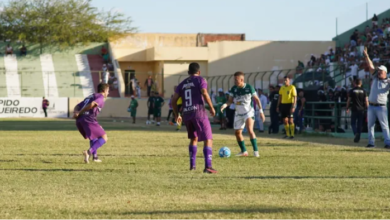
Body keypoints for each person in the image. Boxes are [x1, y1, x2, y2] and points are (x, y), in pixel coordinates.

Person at [171, 62, 217, 173]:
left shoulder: (182, 84)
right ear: (199, 72)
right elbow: (204, 93)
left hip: (187, 114)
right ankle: (208, 166)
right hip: (199, 113)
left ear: (188, 72)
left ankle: (192, 166)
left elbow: (173, 101)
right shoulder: (200, 80)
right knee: (208, 139)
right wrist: (211, 107)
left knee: (194, 138)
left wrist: (177, 115)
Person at [221, 72, 265, 157]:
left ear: (242, 80)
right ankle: (244, 151)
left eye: (236, 79)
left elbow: (257, 99)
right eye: (234, 79)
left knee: (250, 130)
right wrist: (225, 105)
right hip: (238, 113)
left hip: (248, 112)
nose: (235, 81)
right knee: (237, 133)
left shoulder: (249, 88)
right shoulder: (233, 89)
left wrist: (261, 112)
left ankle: (256, 152)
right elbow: (230, 100)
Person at [73, 83, 110, 163]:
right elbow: (93, 104)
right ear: (104, 90)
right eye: (108, 91)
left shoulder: (90, 96)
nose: (108, 93)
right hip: (88, 119)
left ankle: (95, 157)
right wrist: (80, 112)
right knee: (104, 137)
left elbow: (77, 106)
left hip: (81, 120)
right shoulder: (100, 97)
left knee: (94, 137)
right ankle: (89, 152)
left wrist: (76, 112)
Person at [363, 47, 390, 148]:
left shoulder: (388, 81)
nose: (378, 72)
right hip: (371, 105)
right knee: (370, 126)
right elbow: (370, 66)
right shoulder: (375, 77)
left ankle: (388, 143)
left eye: (381, 71)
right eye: (378, 71)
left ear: (385, 73)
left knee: (384, 126)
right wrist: (366, 56)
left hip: (381, 107)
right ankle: (371, 142)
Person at [346, 78, 368, 143]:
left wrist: (347, 107)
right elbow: (366, 101)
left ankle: (355, 133)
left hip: (354, 109)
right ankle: (358, 136)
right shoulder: (364, 91)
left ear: (355, 83)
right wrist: (368, 109)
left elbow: (349, 100)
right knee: (360, 123)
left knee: (353, 123)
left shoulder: (352, 91)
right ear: (361, 83)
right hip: (361, 109)